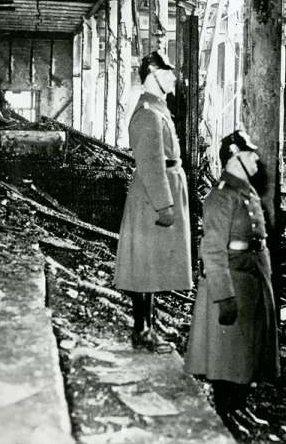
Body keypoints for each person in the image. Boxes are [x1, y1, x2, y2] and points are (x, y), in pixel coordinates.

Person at [185, 130, 279, 415]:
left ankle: (239, 407)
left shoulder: (245, 192)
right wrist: (223, 296)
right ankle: (225, 413)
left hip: (252, 280)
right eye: (250, 154)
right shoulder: (220, 196)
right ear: (235, 155)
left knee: (246, 353)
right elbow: (212, 251)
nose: (255, 160)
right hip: (233, 283)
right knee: (226, 358)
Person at [114, 51, 192, 354]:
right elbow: (149, 163)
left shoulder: (158, 109)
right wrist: (164, 204)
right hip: (152, 195)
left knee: (152, 265)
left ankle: (148, 328)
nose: (173, 77)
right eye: (168, 72)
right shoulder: (148, 112)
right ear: (152, 75)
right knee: (144, 266)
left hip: (162, 188)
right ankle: (141, 331)